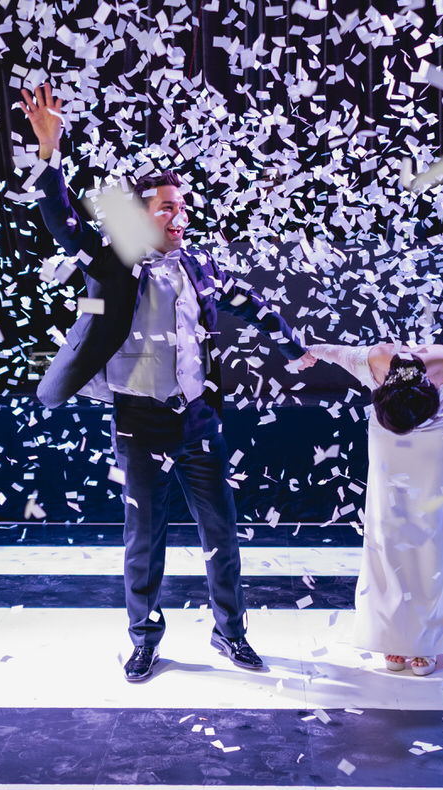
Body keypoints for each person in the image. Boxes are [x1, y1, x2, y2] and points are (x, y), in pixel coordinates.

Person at [19, 83, 315, 681]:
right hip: (139, 421)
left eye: (182, 207)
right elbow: (64, 224)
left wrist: (292, 346)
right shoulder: (113, 260)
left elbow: (248, 301)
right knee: (144, 540)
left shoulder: (200, 264)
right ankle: (144, 640)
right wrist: (50, 153)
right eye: (166, 209)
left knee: (222, 535)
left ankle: (231, 633)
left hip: (199, 419)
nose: (179, 217)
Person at [308, 341, 443, 676]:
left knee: (432, 532)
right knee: (387, 529)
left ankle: (428, 639)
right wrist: (308, 352)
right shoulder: (374, 361)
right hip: (388, 440)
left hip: (437, 436)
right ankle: (392, 635)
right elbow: (334, 352)